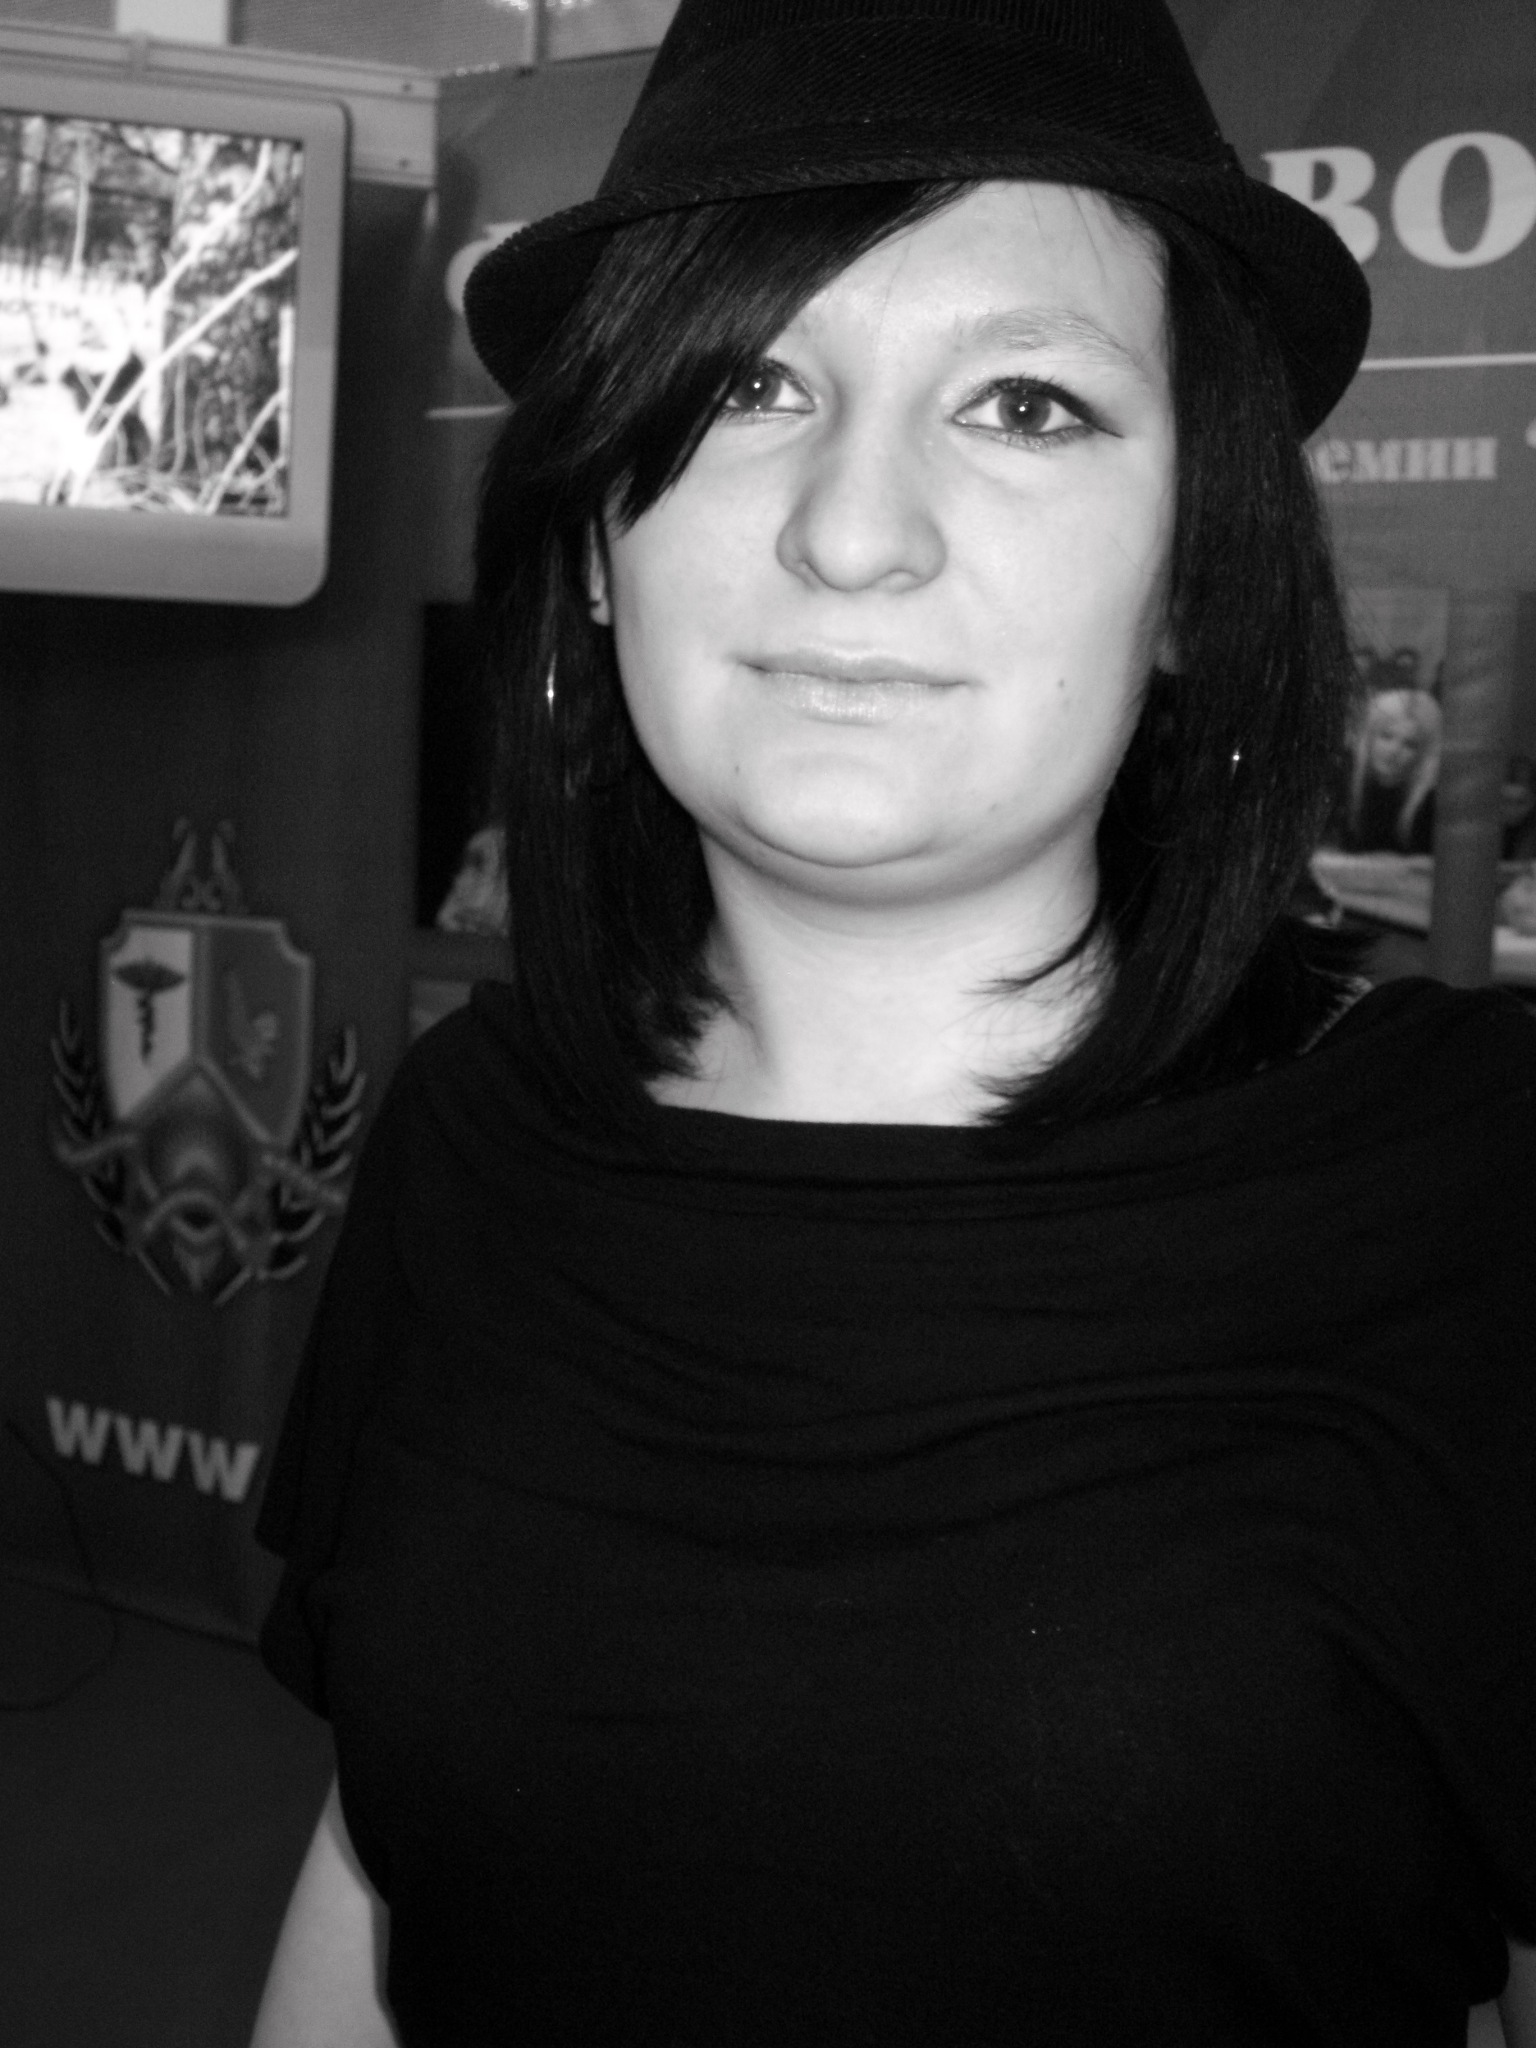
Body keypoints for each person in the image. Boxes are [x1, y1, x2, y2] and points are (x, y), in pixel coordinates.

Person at [250, 2, 1536, 2042]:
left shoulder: (1476, 1184)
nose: (852, 530)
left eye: (1025, 403)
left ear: (1192, 574)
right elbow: (378, 1850)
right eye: (750, 381)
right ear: (597, 540)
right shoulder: (470, 1134)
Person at [1336, 686, 1442, 855]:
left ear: (1422, 755)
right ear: (1369, 736)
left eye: (1410, 744)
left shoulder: (1431, 804)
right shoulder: (1340, 785)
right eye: (1386, 736)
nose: (1394, 751)